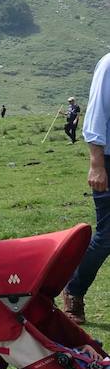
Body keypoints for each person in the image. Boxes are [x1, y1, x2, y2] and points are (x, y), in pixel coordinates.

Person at [63, 50, 110, 324]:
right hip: (109, 160)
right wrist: (97, 164)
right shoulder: (108, 65)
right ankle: (74, 290)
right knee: (107, 236)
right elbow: (96, 116)